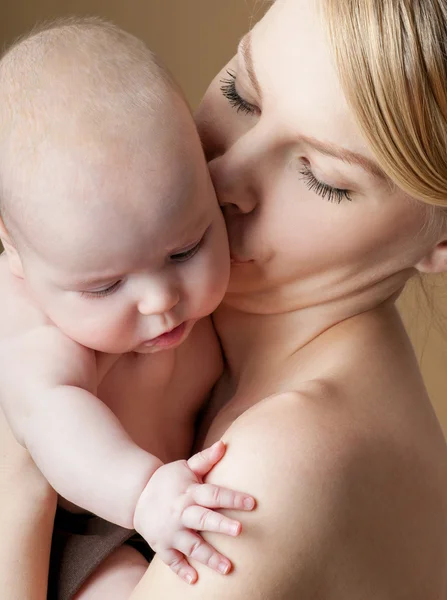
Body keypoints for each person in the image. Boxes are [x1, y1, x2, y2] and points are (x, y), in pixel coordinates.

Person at [2, 0, 447, 597]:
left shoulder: (278, 467)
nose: (225, 175)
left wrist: (19, 459)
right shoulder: (198, 326)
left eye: (322, 179)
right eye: (241, 94)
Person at [0, 18, 256, 600]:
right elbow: (49, 417)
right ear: (15, 249)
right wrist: (142, 494)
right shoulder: (28, 318)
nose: (160, 299)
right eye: (104, 286)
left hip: (174, 484)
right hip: (89, 522)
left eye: (187, 248)